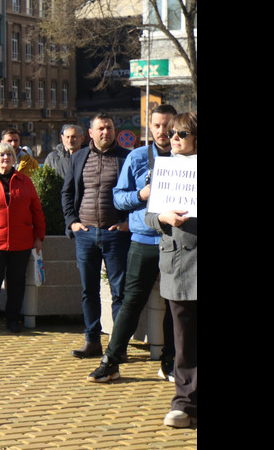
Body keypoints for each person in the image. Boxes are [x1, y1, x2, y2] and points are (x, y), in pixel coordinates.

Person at [88, 105, 178, 384]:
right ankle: (111, 361)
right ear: (150, 128)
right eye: (157, 126)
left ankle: (170, 362)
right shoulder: (138, 157)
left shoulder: (188, 160)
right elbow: (118, 198)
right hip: (144, 241)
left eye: (168, 126)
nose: (163, 132)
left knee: (176, 304)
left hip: (178, 243)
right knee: (131, 303)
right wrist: (142, 193)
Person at [61, 113, 131, 358]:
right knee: (88, 291)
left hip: (116, 235)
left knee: (119, 292)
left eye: (109, 127)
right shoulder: (79, 157)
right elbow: (67, 193)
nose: (105, 132)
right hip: (86, 234)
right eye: (100, 128)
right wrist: (72, 223)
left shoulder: (126, 157)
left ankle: (118, 347)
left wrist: (127, 223)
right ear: (90, 133)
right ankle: (92, 341)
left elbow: (135, 195)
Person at [145, 112, 197, 429]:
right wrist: (163, 216)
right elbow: (149, 217)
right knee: (183, 339)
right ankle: (184, 403)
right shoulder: (163, 169)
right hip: (178, 264)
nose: (173, 137)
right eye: (172, 132)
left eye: (181, 132)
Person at [0, 142, 45, 333]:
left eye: (9, 155)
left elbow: (36, 210)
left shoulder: (25, 181)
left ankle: (12, 320)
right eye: (2, 155)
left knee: (16, 282)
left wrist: (39, 236)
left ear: (14, 159)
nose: (6, 158)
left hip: (20, 241)